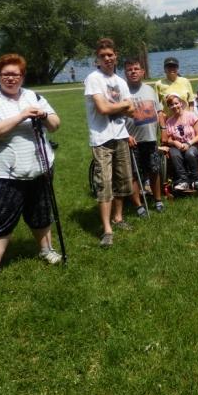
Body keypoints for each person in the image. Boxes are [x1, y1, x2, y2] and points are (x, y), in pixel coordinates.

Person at [0, 54, 62, 284]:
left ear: (22, 76)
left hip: (39, 167)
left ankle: (46, 250)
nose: (10, 78)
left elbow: (55, 125)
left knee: (40, 214)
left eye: (15, 74)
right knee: (1, 220)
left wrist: (44, 116)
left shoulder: (34, 96)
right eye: (6, 74)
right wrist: (21, 116)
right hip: (1, 173)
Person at [84, 38, 135, 248]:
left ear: (116, 56)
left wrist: (120, 105)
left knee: (122, 181)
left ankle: (118, 218)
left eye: (110, 55)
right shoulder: (93, 79)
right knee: (104, 183)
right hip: (101, 138)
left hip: (121, 135)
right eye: (103, 56)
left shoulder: (121, 81)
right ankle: (107, 229)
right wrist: (122, 104)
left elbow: (132, 110)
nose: (107, 58)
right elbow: (102, 109)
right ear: (97, 59)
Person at [124, 57, 164, 215]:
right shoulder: (122, 91)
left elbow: (159, 111)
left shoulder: (150, 89)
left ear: (142, 72)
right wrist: (126, 136)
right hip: (132, 142)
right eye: (129, 69)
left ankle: (158, 200)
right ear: (125, 73)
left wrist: (164, 128)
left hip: (150, 139)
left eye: (136, 69)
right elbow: (116, 118)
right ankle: (139, 206)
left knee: (154, 170)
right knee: (134, 174)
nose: (133, 72)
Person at [161, 93, 198, 192]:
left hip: (192, 144)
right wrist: (175, 143)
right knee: (174, 154)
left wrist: (188, 144)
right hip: (177, 146)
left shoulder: (191, 116)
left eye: (176, 103)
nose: (174, 106)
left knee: (190, 153)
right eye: (171, 105)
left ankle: (195, 179)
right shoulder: (169, 121)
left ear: (181, 103)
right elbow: (168, 139)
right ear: (168, 107)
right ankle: (183, 181)